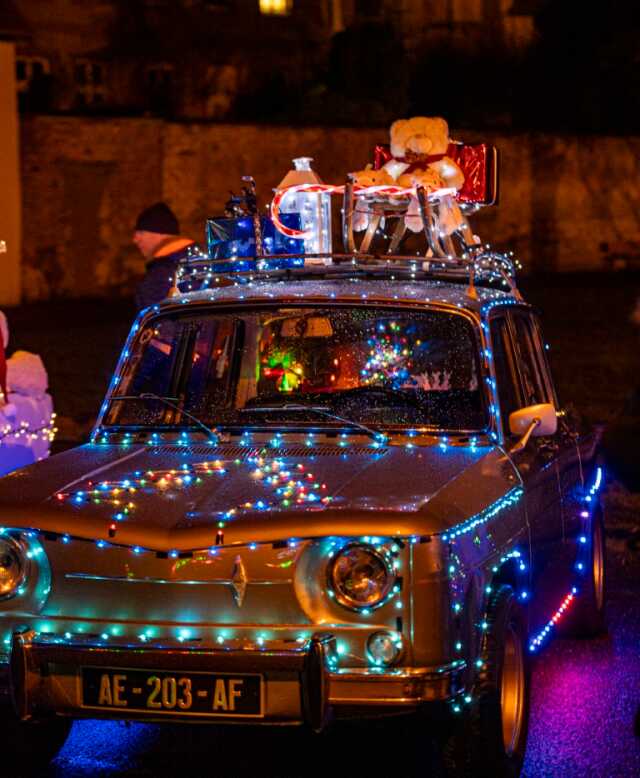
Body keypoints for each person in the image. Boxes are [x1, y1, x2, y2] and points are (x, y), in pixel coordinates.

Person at [133, 202, 198, 309]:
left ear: (159, 232)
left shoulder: (163, 271)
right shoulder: (196, 263)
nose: (135, 240)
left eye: (140, 233)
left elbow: (158, 314)